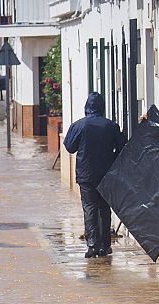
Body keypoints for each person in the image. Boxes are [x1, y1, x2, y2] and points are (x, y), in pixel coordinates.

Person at [64, 92, 127, 257]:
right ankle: (104, 246)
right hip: (106, 174)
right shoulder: (110, 126)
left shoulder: (79, 125)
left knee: (89, 208)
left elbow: (69, 147)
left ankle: (92, 245)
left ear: (87, 107)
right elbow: (123, 148)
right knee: (104, 208)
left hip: (86, 176)